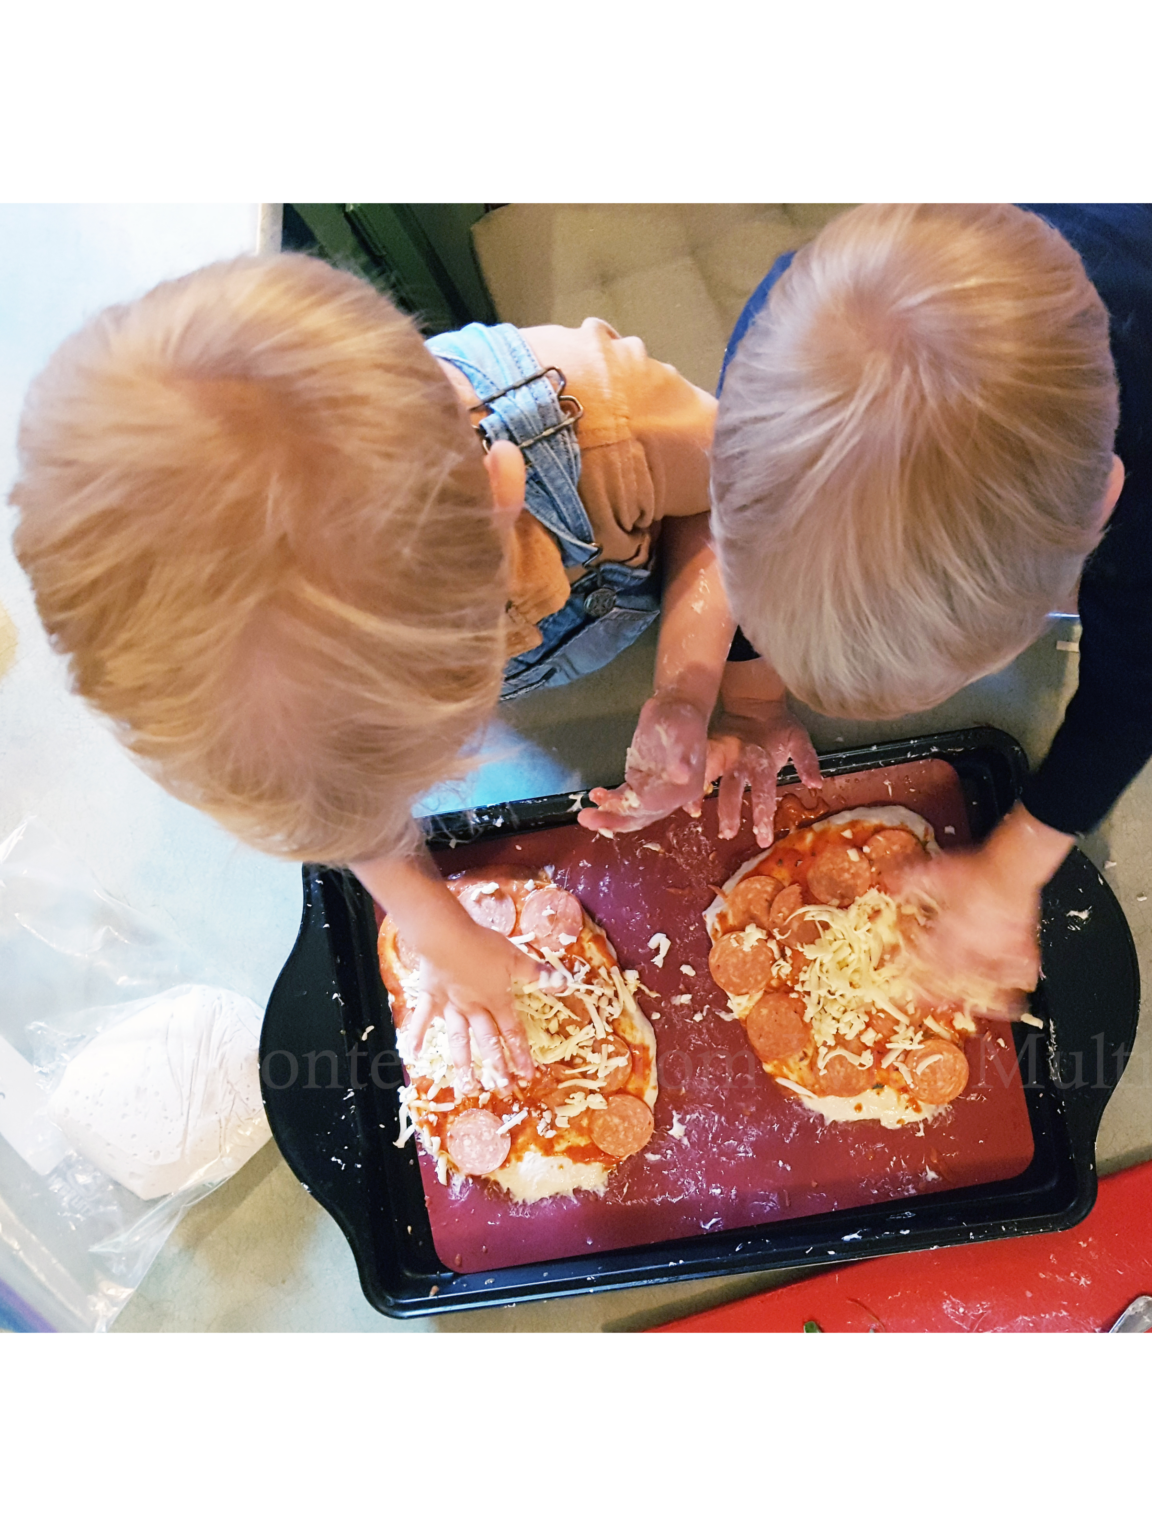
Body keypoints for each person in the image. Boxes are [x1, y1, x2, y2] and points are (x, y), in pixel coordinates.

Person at [12, 251, 782, 1087]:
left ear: (503, 489)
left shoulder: (617, 426)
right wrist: (430, 922)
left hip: (651, 627)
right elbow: (337, 805)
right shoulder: (249, 700)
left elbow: (742, 520)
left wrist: (709, 690)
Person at [599, 202, 1147, 1019]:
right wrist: (746, 693)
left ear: (1103, 506)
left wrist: (1017, 862)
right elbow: (753, 529)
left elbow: (1134, 680)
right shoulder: (788, 335)